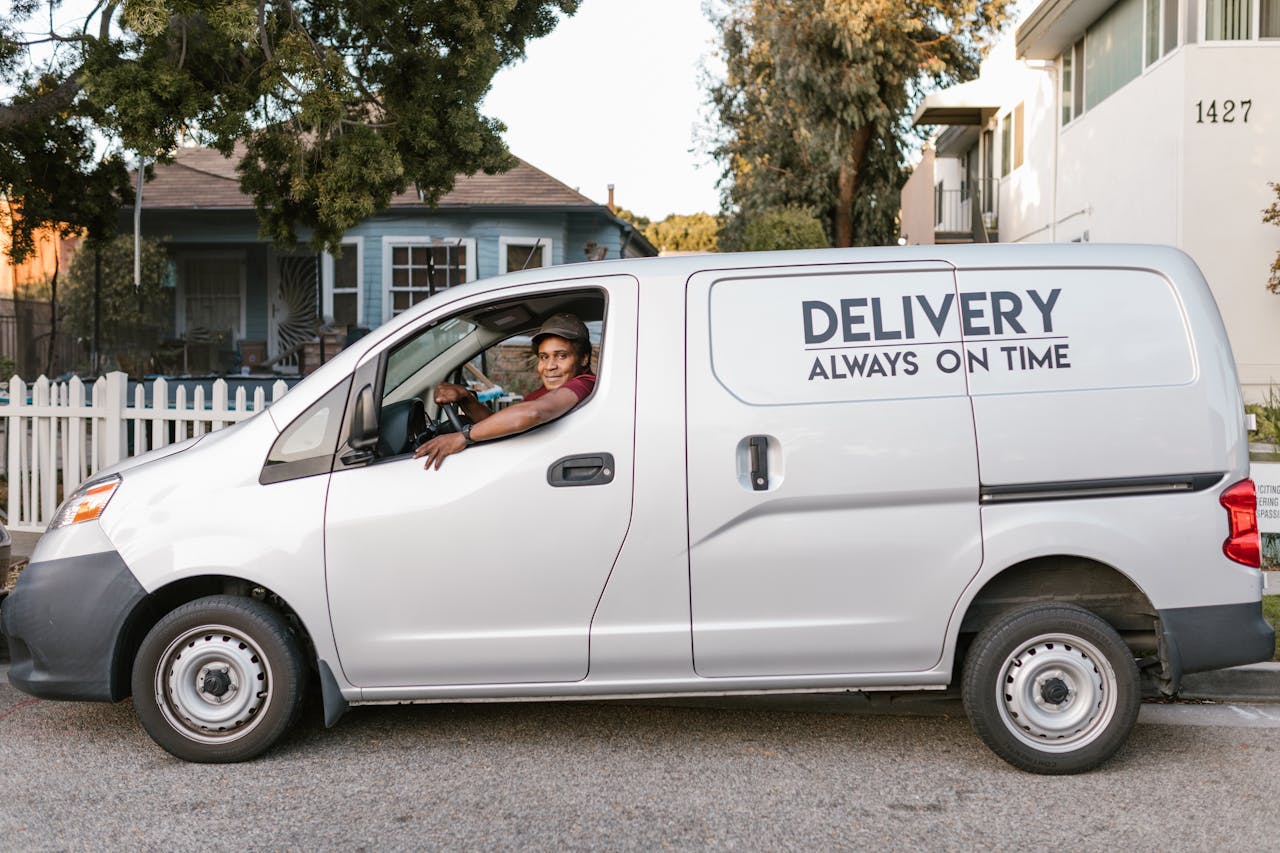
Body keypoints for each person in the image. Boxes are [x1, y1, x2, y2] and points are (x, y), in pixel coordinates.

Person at [414, 313, 596, 470]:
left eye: (561, 356)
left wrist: (464, 436)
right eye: (544, 357)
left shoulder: (584, 383)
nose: (549, 366)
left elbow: (531, 413)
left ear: (583, 358)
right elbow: (501, 425)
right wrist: (466, 398)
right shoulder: (550, 390)